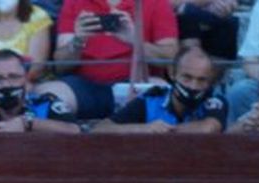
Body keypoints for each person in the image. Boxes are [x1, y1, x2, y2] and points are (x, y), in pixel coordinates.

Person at [51, 0, 179, 119]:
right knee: (48, 95)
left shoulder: (156, 2)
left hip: (136, 85)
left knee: (163, 91)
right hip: (83, 87)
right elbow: (61, 66)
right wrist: (78, 40)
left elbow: (170, 59)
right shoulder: (75, 2)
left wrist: (134, 41)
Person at [92, 43, 225, 132]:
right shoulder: (151, 99)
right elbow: (101, 129)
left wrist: (164, 130)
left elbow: (209, 127)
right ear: (172, 73)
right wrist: (144, 129)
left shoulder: (214, 101)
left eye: (201, 80)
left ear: (210, 81)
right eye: (187, 77)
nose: (193, 86)